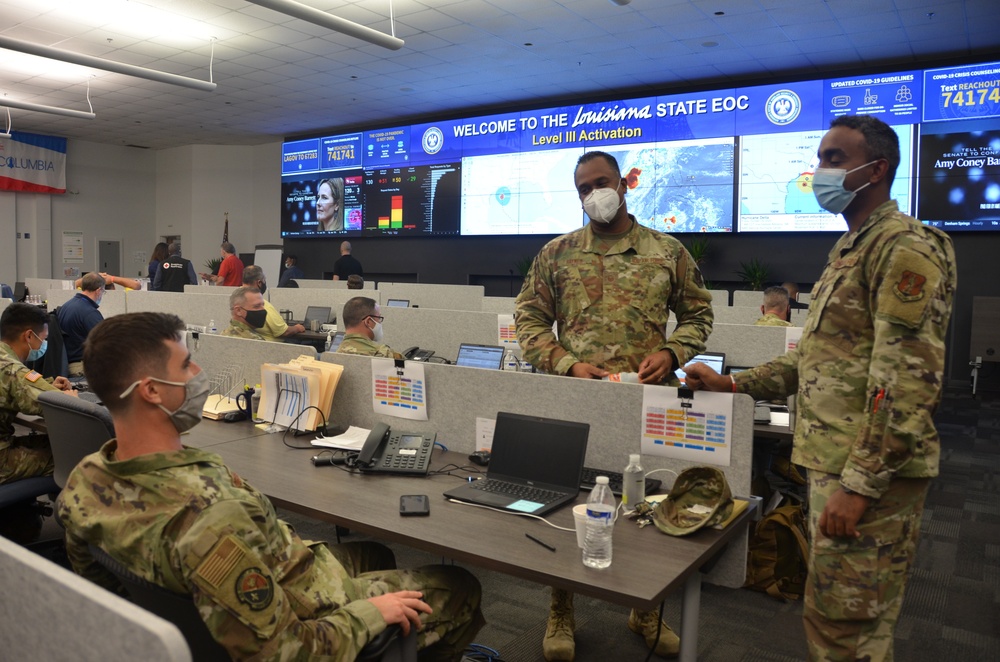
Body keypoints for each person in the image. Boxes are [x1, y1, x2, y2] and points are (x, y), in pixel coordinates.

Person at [683, 116, 956, 662]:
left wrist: (859, 485)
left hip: (868, 476)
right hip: (835, 464)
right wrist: (732, 384)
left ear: (875, 170)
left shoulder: (905, 247)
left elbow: (905, 383)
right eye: (821, 157)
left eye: (834, 159)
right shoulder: (849, 251)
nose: (820, 170)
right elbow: (813, 361)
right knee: (834, 618)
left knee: (847, 630)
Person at [56, 312, 484, 661]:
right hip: (301, 613)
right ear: (150, 391)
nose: (199, 372)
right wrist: (369, 615)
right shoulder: (210, 518)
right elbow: (286, 651)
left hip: (273, 577)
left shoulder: (86, 480)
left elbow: (105, 591)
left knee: (374, 552)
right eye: (186, 364)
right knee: (460, 586)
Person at [515, 150, 714, 660]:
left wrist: (672, 350)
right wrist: (565, 363)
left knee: (644, 505)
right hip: (578, 397)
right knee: (566, 501)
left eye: (600, 183)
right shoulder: (556, 254)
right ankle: (561, 607)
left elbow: (698, 315)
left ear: (624, 184)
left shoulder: (666, 251)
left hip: (645, 401)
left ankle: (645, 608)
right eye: (583, 188)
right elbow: (529, 323)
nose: (593, 195)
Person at [1, 303, 78, 485]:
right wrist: (71, 399)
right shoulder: (12, 369)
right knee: (74, 458)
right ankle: (69, 510)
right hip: (2, 462)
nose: (44, 345)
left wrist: (49, 385)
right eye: (43, 339)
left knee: (51, 444)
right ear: (28, 335)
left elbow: (20, 390)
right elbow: (59, 405)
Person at [57, 272, 106, 377]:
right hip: (79, 366)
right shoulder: (89, 313)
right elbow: (105, 342)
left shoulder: (67, 305)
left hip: (66, 362)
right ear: (98, 290)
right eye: (103, 291)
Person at [242, 266, 305, 342]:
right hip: (272, 348)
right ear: (259, 283)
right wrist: (297, 328)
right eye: (264, 280)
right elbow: (285, 332)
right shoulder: (262, 305)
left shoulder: (236, 299)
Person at [337, 297, 402, 359]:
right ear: (368, 322)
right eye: (379, 318)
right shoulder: (383, 354)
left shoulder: (335, 353)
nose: (379, 322)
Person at [74, 273, 141, 291]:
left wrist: (96, 276)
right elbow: (136, 285)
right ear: (114, 288)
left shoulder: (91, 298)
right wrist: (112, 278)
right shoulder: (121, 298)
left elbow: (76, 283)